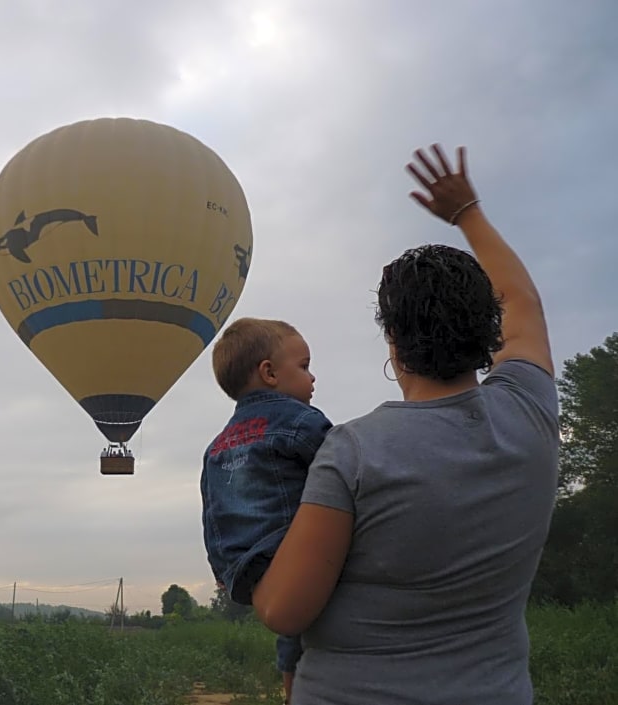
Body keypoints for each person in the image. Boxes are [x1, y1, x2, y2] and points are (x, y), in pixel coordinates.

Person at [249, 144, 559, 704]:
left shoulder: (352, 453)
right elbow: (525, 303)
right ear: (489, 330)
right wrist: (469, 211)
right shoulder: (531, 412)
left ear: (392, 342)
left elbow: (282, 609)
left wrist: (244, 553)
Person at [199, 317, 333, 704]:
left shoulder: (216, 446)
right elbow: (345, 471)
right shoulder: (301, 422)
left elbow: (212, 510)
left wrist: (222, 570)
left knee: (292, 633)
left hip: (247, 568)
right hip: (293, 550)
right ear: (269, 372)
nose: (312, 379)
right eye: (304, 366)